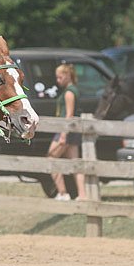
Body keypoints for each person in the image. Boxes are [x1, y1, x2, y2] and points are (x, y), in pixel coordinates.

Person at [46, 63, 86, 201]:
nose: (58, 80)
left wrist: (63, 135)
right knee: (75, 163)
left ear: (68, 75)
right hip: (73, 132)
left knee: (51, 158)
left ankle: (63, 193)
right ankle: (82, 194)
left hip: (66, 130)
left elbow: (68, 115)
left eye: (60, 77)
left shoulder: (69, 93)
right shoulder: (74, 90)